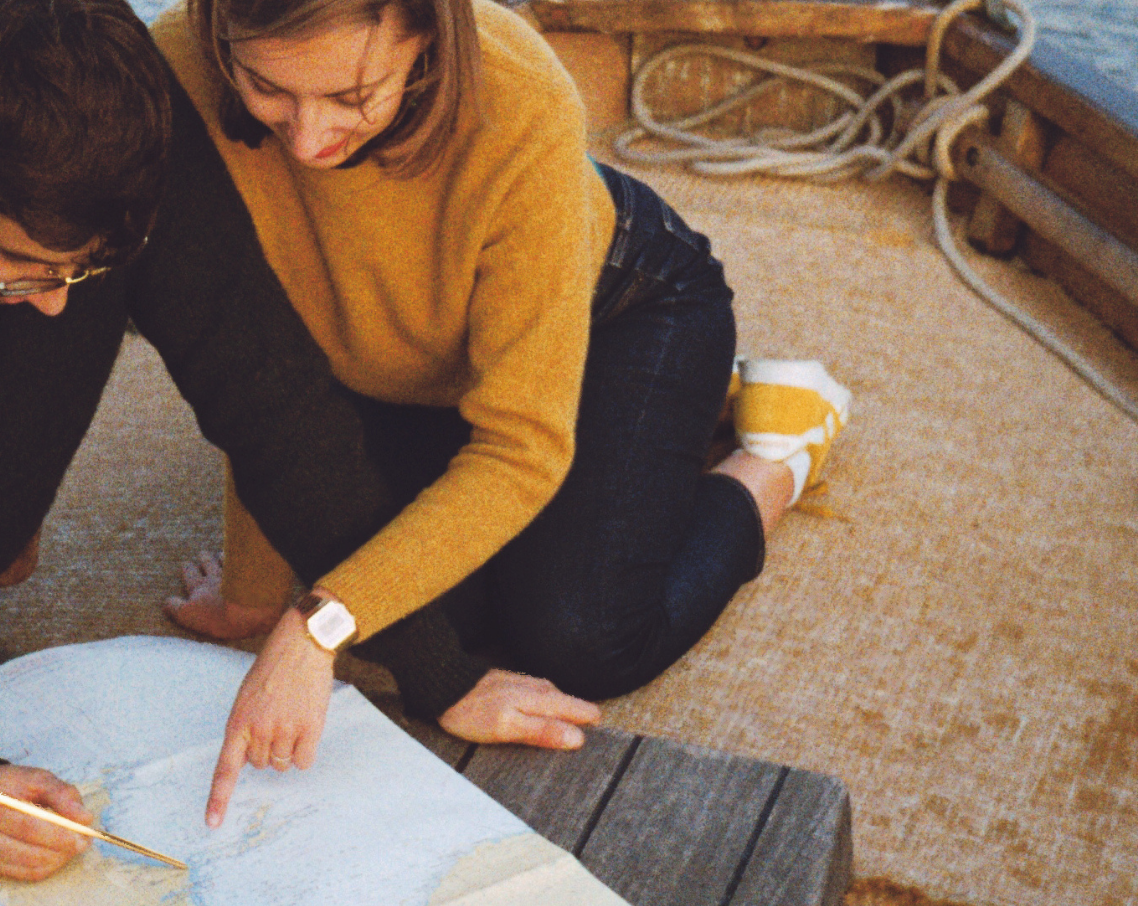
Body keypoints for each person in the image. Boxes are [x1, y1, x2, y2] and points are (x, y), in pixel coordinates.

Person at [0, 0, 496, 877]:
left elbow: (265, 389)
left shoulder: (120, 109)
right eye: (26, 270)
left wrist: (442, 670)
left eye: (89, 272)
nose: (61, 308)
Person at [151, 0, 851, 824]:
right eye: (268, 88)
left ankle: (775, 448)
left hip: (619, 306)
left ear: (426, 30)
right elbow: (259, 366)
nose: (306, 142)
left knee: (579, 639)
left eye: (350, 97)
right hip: (405, 361)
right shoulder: (170, 69)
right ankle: (673, 424)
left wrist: (314, 625)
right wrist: (254, 594)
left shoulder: (519, 95)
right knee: (437, 614)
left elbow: (519, 450)